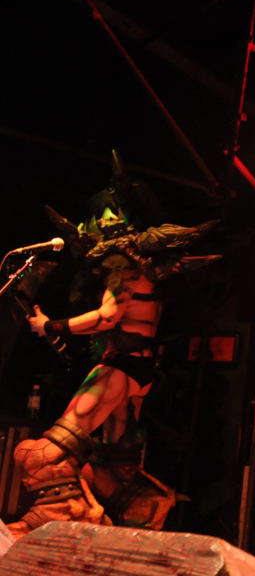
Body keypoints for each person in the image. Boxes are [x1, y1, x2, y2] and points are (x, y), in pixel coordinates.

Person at [10, 163, 217, 537]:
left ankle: (59, 515)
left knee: (38, 455)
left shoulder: (124, 274)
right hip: (136, 371)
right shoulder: (145, 277)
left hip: (120, 369)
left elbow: (107, 317)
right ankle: (132, 512)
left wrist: (50, 326)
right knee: (110, 463)